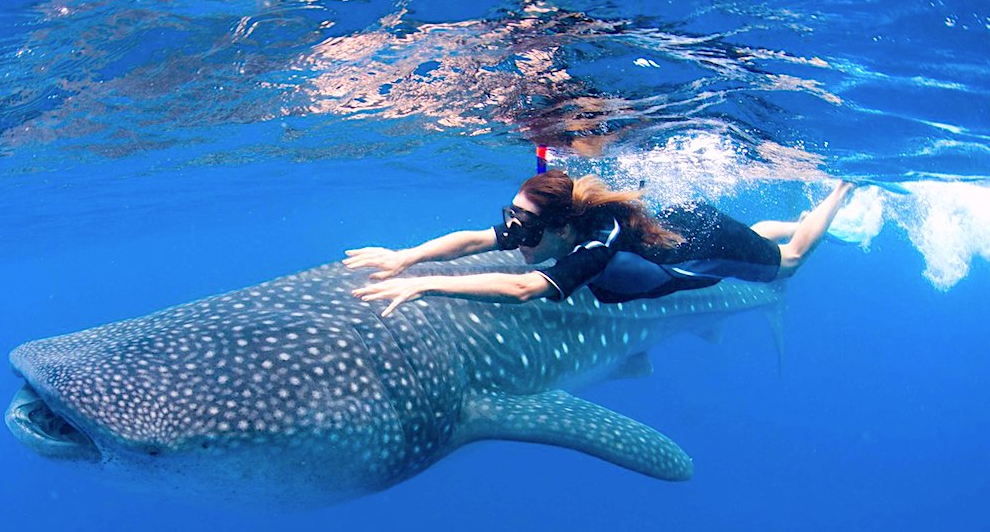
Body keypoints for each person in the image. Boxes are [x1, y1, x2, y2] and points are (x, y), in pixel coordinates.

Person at [345, 169, 853, 317]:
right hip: (680, 226)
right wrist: (405, 257)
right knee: (754, 239)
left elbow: (523, 289)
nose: (514, 237)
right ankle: (782, 223)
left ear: (563, 230)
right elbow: (474, 239)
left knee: (788, 262)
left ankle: (837, 194)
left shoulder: (595, 247)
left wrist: (425, 286)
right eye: (514, 224)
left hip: (700, 239)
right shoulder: (549, 225)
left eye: (525, 230)